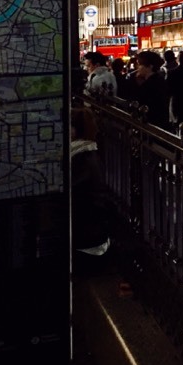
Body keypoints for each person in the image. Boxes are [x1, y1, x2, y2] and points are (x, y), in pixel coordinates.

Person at [70, 105, 111, 276]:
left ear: (75, 131)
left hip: (87, 245)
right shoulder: (87, 153)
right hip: (94, 238)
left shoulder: (81, 160)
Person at [125, 50, 169, 128]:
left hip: (153, 124)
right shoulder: (157, 80)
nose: (138, 68)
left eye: (140, 65)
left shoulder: (153, 83)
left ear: (150, 66)